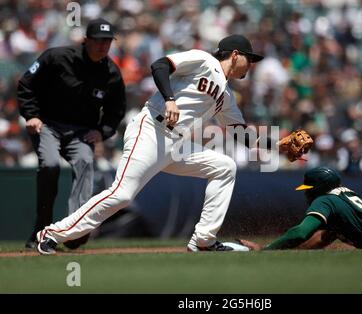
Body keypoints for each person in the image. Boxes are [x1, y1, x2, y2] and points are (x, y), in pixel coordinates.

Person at [35, 34, 265, 254]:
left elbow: (239, 133)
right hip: (151, 131)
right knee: (122, 194)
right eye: (250, 58)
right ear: (235, 54)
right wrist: (170, 99)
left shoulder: (226, 95)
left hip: (176, 145)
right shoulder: (205, 60)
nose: (251, 64)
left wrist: (274, 145)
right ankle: (53, 233)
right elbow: (160, 65)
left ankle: (204, 240)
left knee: (224, 167)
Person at [17, 18, 126, 250]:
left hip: (82, 132)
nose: (103, 46)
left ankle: (74, 229)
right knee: (50, 165)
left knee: (85, 162)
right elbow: (26, 84)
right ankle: (42, 229)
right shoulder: (57, 57)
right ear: (86, 40)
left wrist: (101, 131)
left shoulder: (111, 72)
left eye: (107, 41)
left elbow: (116, 110)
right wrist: (31, 115)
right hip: (46, 124)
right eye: (98, 41)